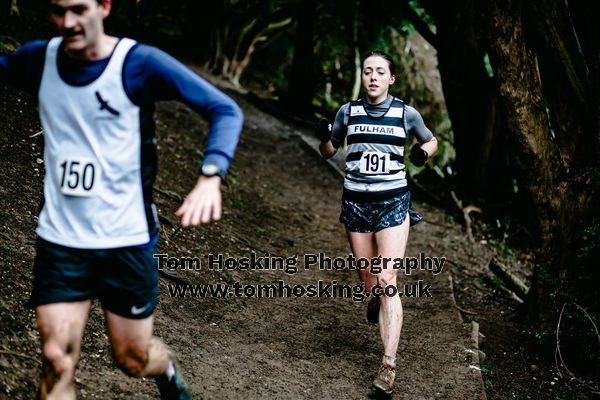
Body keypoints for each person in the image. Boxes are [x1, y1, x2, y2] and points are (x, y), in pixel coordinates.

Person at [0, 0, 243, 398]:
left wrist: (210, 176)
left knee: (131, 358)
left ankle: (165, 372)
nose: (69, 22)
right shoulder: (38, 60)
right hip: (62, 240)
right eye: (58, 11)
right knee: (56, 358)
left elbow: (224, 109)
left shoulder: (138, 63)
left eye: (79, 9)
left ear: (104, 6)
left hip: (126, 240)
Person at [317, 50, 437, 395]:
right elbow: (329, 150)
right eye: (367, 71)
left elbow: (432, 140)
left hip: (392, 202)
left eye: (379, 72)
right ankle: (375, 296)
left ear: (390, 79)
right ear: (363, 76)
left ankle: (388, 366)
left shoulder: (405, 113)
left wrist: (422, 154)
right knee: (370, 282)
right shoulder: (348, 112)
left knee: (387, 279)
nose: (372, 77)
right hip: (356, 203)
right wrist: (323, 135)